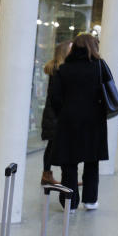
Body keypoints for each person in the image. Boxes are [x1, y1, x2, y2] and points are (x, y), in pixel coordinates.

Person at [49, 33, 111, 210]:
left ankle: (70, 202)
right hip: (94, 120)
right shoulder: (99, 66)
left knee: (69, 162)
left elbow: (54, 97)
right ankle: (90, 200)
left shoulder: (64, 69)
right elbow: (109, 90)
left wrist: (64, 111)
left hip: (69, 120)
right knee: (92, 161)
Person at [40, 41, 72, 186]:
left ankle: (47, 174)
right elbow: (57, 97)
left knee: (52, 146)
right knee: (54, 146)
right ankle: (49, 175)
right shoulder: (60, 70)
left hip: (53, 114)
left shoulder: (57, 69)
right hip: (55, 115)